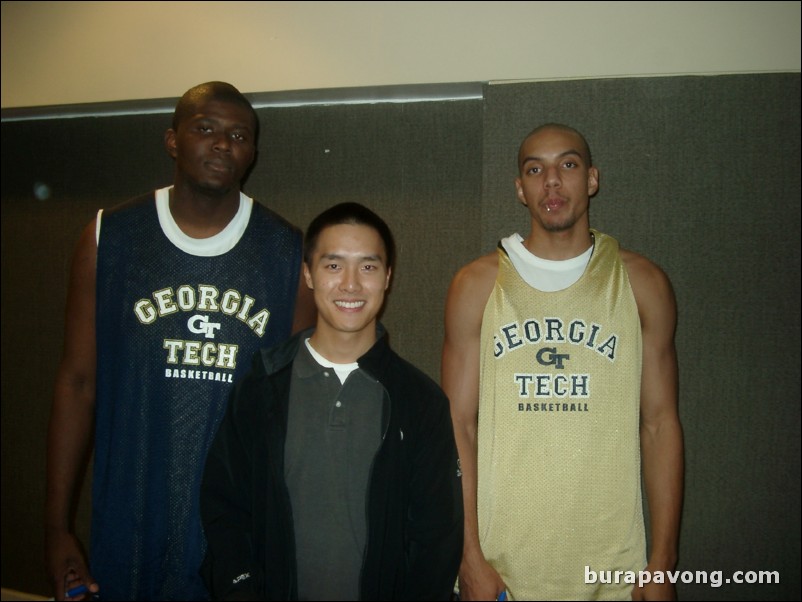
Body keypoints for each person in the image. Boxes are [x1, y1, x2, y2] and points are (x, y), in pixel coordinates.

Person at [45, 81, 316, 601]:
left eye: (239, 134)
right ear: (172, 140)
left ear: (253, 153)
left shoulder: (286, 251)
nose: (222, 143)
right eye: (206, 128)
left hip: (234, 529)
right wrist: (57, 529)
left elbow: (293, 409)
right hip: (129, 515)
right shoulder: (110, 236)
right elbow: (78, 383)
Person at [442, 123, 684, 600]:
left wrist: (663, 563)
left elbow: (660, 425)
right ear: (520, 188)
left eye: (567, 165)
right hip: (502, 571)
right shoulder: (476, 285)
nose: (551, 181)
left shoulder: (642, 284)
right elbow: (456, 425)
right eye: (536, 169)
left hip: (613, 573)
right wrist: (467, 555)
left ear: (591, 179)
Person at [200, 202, 464, 600]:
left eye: (368, 267)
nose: (351, 285)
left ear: (388, 276)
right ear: (308, 273)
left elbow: (436, 539)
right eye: (334, 265)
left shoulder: (420, 402)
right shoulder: (261, 388)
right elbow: (225, 507)